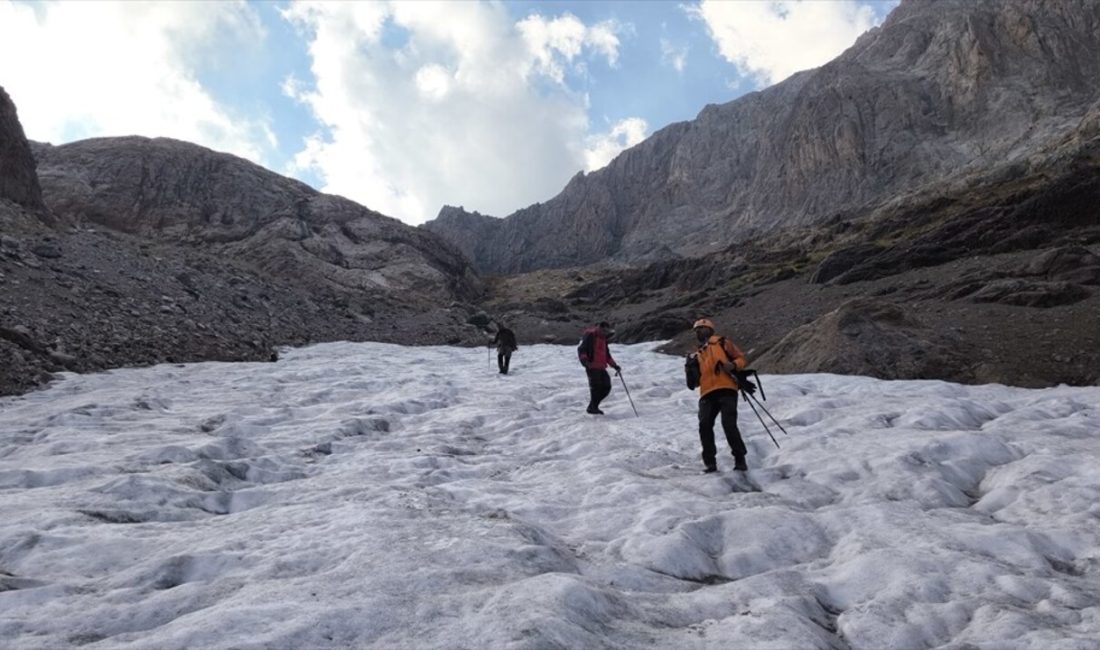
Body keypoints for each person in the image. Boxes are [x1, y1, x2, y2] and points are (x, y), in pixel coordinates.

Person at [687, 318, 749, 473]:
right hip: (707, 392)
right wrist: (689, 367)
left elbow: (741, 358)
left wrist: (733, 365)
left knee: (728, 424)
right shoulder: (696, 354)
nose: (699, 332)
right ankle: (710, 463)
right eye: (697, 330)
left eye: (702, 328)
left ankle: (740, 459)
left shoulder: (722, 342)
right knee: (705, 426)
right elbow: (693, 383)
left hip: (726, 388)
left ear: (710, 330)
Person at [578, 321, 621, 415]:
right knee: (596, 388)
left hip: (601, 367)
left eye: (607, 331)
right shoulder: (591, 335)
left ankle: (592, 407)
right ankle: (593, 408)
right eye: (604, 330)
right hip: (592, 366)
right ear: (600, 328)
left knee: (606, 387)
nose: (605, 332)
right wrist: (585, 361)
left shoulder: (603, 339)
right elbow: (582, 349)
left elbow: (607, 355)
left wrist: (614, 366)